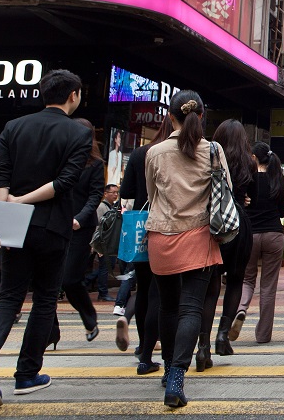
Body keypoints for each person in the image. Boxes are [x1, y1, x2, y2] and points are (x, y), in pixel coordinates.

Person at [0, 69, 92, 409]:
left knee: (8, 295)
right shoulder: (78, 133)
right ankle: (26, 374)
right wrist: (23, 203)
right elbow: (65, 181)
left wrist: (4, 215)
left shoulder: (15, 126)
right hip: (52, 226)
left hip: (13, 225)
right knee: (46, 297)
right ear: (74, 95)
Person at [146, 91, 229, 408]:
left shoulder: (156, 152)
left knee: (167, 306)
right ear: (202, 117)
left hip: (161, 237)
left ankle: (168, 369)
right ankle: (178, 375)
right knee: (192, 308)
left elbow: (152, 195)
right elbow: (226, 193)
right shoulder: (213, 151)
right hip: (199, 236)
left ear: (171, 117)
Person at [196, 119, 256, 365]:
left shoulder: (209, 155)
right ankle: (223, 336)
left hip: (213, 223)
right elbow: (251, 195)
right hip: (239, 223)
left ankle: (203, 347)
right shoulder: (248, 162)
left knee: (210, 286)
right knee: (235, 280)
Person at [118, 116, 173, 375]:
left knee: (143, 289)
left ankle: (142, 346)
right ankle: (150, 354)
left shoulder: (141, 153)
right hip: (170, 228)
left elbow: (126, 191)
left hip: (141, 227)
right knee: (161, 295)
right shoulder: (180, 152)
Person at [54, 119, 106, 345]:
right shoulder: (59, 157)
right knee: (49, 281)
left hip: (80, 227)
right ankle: (49, 334)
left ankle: (89, 317)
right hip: (55, 223)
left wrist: (80, 218)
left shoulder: (95, 163)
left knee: (69, 279)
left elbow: (96, 195)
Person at [235, 142, 284, 344]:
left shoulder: (247, 180)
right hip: (274, 235)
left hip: (251, 235)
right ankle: (263, 335)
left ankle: (241, 310)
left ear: (254, 158)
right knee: (268, 287)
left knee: (248, 279)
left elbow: (240, 205)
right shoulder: (278, 179)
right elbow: (282, 212)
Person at [88, 183, 120, 301]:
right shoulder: (102, 207)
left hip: (109, 243)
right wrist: (97, 246)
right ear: (105, 194)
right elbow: (98, 227)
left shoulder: (112, 207)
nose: (115, 195)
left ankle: (88, 281)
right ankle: (102, 293)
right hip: (104, 244)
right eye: (113, 193)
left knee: (108, 266)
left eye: (117, 192)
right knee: (105, 268)